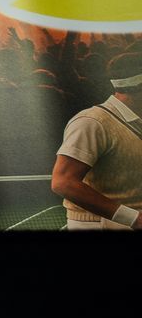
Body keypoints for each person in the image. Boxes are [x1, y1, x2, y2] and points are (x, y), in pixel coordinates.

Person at [52, 52, 142, 231]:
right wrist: (133, 218)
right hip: (100, 225)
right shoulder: (92, 122)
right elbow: (63, 182)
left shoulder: (136, 119)